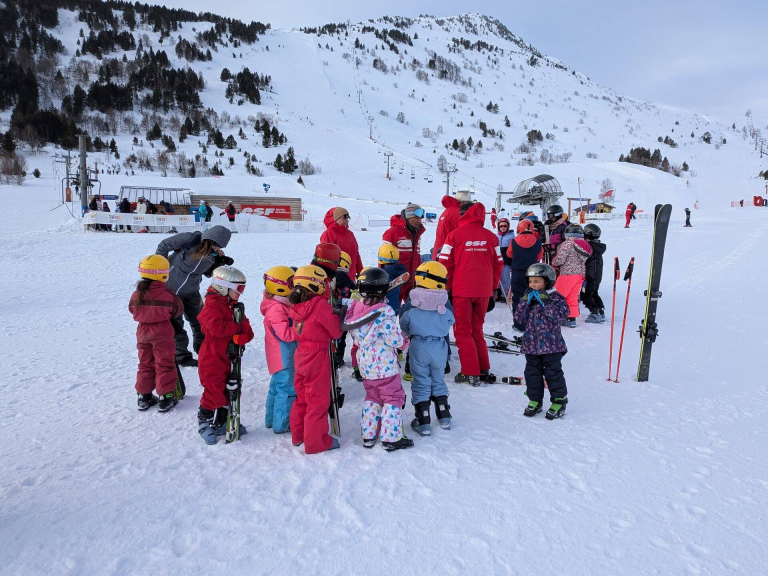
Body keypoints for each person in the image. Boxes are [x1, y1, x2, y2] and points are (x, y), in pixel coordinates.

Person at [344, 268, 413, 451]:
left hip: (366, 364)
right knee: (393, 398)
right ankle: (391, 437)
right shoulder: (385, 312)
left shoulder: (355, 308)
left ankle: (368, 435)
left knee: (372, 397)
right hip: (385, 366)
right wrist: (404, 341)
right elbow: (394, 339)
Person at [438, 201, 503, 386]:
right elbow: (499, 263)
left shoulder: (454, 235)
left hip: (462, 291)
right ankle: (483, 368)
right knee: (477, 329)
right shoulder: (491, 237)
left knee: (463, 331)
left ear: (463, 215)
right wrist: (493, 288)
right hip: (483, 291)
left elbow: (444, 264)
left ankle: (470, 372)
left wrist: (446, 287)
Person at [156, 225, 234, 366]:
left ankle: (204, 350)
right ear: (210, 240)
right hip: (170, 290)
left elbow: (208, 273)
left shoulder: (212, 255)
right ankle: (182, 357)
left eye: (221, 246)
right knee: (176, 326)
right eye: (217, 245)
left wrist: (220, 263)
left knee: (201, 322)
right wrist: (161, 267)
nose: (218, 248)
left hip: (191, 292)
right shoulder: (190, 239)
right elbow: (164, 245)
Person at [196, 266, 254, 445]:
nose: (240, 294)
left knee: (231, 390)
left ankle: (221, 421)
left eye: (242, 289)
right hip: (213, 357)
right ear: (223, 286)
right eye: (238, 289)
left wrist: (244, 335)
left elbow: (247, 328)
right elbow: (215, 328)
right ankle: (204, 421)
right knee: (214, 389)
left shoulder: (235, 307)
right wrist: (237, 329)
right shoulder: (212, 304)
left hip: (231, 356)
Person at [289, 265, 343, 454]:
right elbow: (335, 332)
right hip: (317, 356)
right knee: (318, 400)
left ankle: (298, 435)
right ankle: (316, 443)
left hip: (301, 354)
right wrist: (338, 316)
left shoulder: (297, 306)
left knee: (302, 398)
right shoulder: (320, 305)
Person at [399, 261, 455, 436]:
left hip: (419, 345)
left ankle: (423, 420)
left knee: (421, 380)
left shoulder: (412, 301)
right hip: (439, 345)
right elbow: (450, 321)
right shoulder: (444, 301)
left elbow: (403, 323)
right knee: (438, 379)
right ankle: (444, 415)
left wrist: (413, 332)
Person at [513, 263, 570, 419]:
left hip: (552, 346)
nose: (533, 285)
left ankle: (559, 401)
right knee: (532, 373)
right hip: (531, 345)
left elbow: (560, 316)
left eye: (537, 281)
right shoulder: (529, 298)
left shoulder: (556, 297)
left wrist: (546, 302)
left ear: (548, 281)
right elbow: (519, 319)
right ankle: (535, 400)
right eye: (531, 282)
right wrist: (524, 301)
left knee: (553, 374)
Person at [130, 255, 184, 412]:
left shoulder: (137, 293)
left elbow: (132, 309)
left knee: (145, 363)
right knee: (164, 364)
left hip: (142, 332)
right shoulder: (167, 293)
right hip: (162, 332)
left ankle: (143, 396)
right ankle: (166, 397)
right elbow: (177, 309)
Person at [261, 266, 298, 434]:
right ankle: (282, 424)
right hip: (284, 357)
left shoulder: (279, 304)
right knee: (287, 389)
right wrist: (301, 328)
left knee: (276, 388)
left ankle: (271, 420)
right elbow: (285, 335)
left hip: (280, 356)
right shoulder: (277, 309)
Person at [382, 202, 425, 303]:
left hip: (411, 280)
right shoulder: (392, 232)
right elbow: (383, 259)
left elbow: (416, 256)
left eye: (420, 219)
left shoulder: (417, 233)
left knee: (412, 310)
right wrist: (384, 280)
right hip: (396, 281)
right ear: (409, 217)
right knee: (393, 310)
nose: (419, 221)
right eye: (416, 218)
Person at [506, 219, 544, 332]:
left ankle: (519, 325)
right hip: (532, 274)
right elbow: (539, 257)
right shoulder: (537, 242)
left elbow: (509, 254)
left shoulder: (514, 241)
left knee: (518, 298)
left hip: (517, 273)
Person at [552, 224, 592, 328]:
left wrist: (554, 261)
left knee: (557, 296)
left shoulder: (568, 244)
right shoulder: (584, 244)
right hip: (579, 275)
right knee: (572, 297)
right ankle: (571, 319)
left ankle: (554, 317)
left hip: (567, 274)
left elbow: (559, 260)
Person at [320, 207, 364, 278]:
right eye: (344, 217)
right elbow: (325, 258)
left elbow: (356, 255)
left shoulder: (350, 234)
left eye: (348, 217)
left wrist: (361, 271)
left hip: (351, 276)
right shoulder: (328, 234)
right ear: (336, 219)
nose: (346, 219)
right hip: (336, 277)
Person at [433, 190, 471, 258]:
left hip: (439, 252)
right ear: (464, 202)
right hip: (448, 254)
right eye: (468, 203)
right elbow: (462, 236)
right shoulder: (458, 213)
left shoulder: (448, 210)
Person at [581, 224, 606, 323]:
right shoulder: (597, 246)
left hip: (590, 276)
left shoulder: (588, 247)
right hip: (596, 276)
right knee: (594, 293)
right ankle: (601, 310)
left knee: (585, 295)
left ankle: (595, 312)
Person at [496, 217, 514, 302]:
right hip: (497, 260)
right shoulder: (496, 236)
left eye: (505, 226)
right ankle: (498, 292)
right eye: (501, 226)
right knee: (497, 277)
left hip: (507, 261)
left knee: (505, 278)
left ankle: (505, 294)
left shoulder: (511, 236)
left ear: (508, 226)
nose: (503, 228)